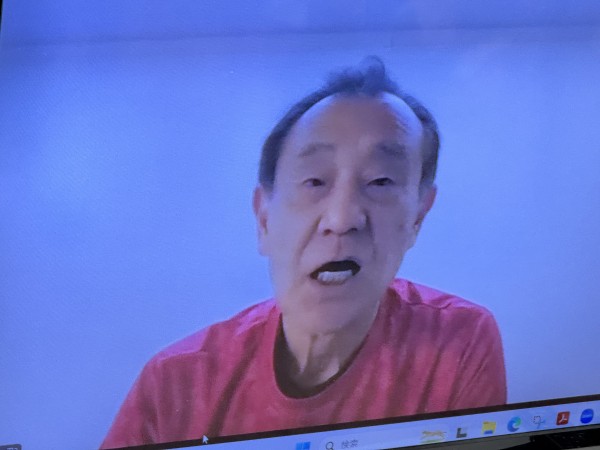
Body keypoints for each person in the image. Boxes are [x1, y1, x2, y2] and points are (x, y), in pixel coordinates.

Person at [101, 58, 506, 449]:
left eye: (381, 181)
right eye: (315, 181)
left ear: (418, 217)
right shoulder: (176, 383)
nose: (342, 218)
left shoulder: (458, 343)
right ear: (264, 219)